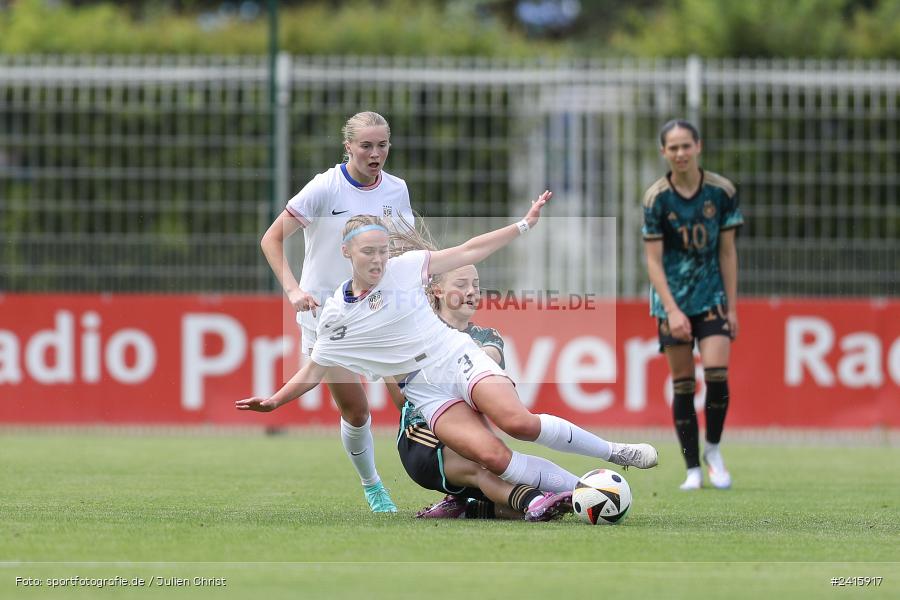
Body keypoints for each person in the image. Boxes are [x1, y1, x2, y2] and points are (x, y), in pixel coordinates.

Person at [240, 192, 659, 519]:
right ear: (347, 253)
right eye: (369, 252)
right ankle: (590, 493)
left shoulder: (405, 268)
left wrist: (523, 226)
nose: (379, 259)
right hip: (426, 390)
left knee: (518, 423)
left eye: (384, 250)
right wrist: (276, 400)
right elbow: (315, 367)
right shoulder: (336, 312)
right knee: (494, 457)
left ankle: (613, 452)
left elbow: (468, 250)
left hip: (454, 356)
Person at [259, 111, 414, 512]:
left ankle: (453, 480)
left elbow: (406, 250)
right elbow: (271, 239)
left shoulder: (397, 190)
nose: (375, 153)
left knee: (412, 399)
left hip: (380, 310)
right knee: (357, 410)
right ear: (348, 147)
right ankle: (373, 486)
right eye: (366, 145)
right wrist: (293, 289)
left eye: (382, 145)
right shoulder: (324, 188)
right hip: (328, 317)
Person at [393, 263, 569, 521]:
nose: (472, 291)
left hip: (466, 439)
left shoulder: (487, 337)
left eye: (475, 285)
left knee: (500, 468)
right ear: (437, 290)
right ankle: (537, 501)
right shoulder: (415, 336)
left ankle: (465, 505)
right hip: (422, 439)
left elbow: (482, 372)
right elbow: (401, 400)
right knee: (485, 468)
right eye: (462, 284)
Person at [641, 119, 744, 491]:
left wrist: (731, 308)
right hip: (672, 301)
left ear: (698, 146)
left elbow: (728, 252)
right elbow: (653, 261)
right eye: (674, 148)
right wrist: (671, 309)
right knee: (683, 384)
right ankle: (692, 469)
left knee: (717, 377)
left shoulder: (722, 192)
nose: (681, 153)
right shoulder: (656, 198)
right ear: (664, 152)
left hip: (712, 296)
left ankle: (713, 452)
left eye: (687, 146)